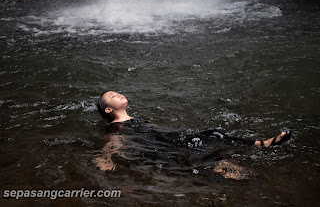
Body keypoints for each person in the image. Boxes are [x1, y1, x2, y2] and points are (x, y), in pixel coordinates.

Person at [97, 90, 291, 148]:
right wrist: (106, 160)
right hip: (168, 144)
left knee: (213, 133)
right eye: (113, 96)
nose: (118, 94)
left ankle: (260, 143)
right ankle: (224, 169)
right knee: (198, 144)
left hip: (172, 137)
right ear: (108, 109)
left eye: (117, 92)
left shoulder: (137, 118)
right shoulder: (116, 127)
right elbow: (114, 145)